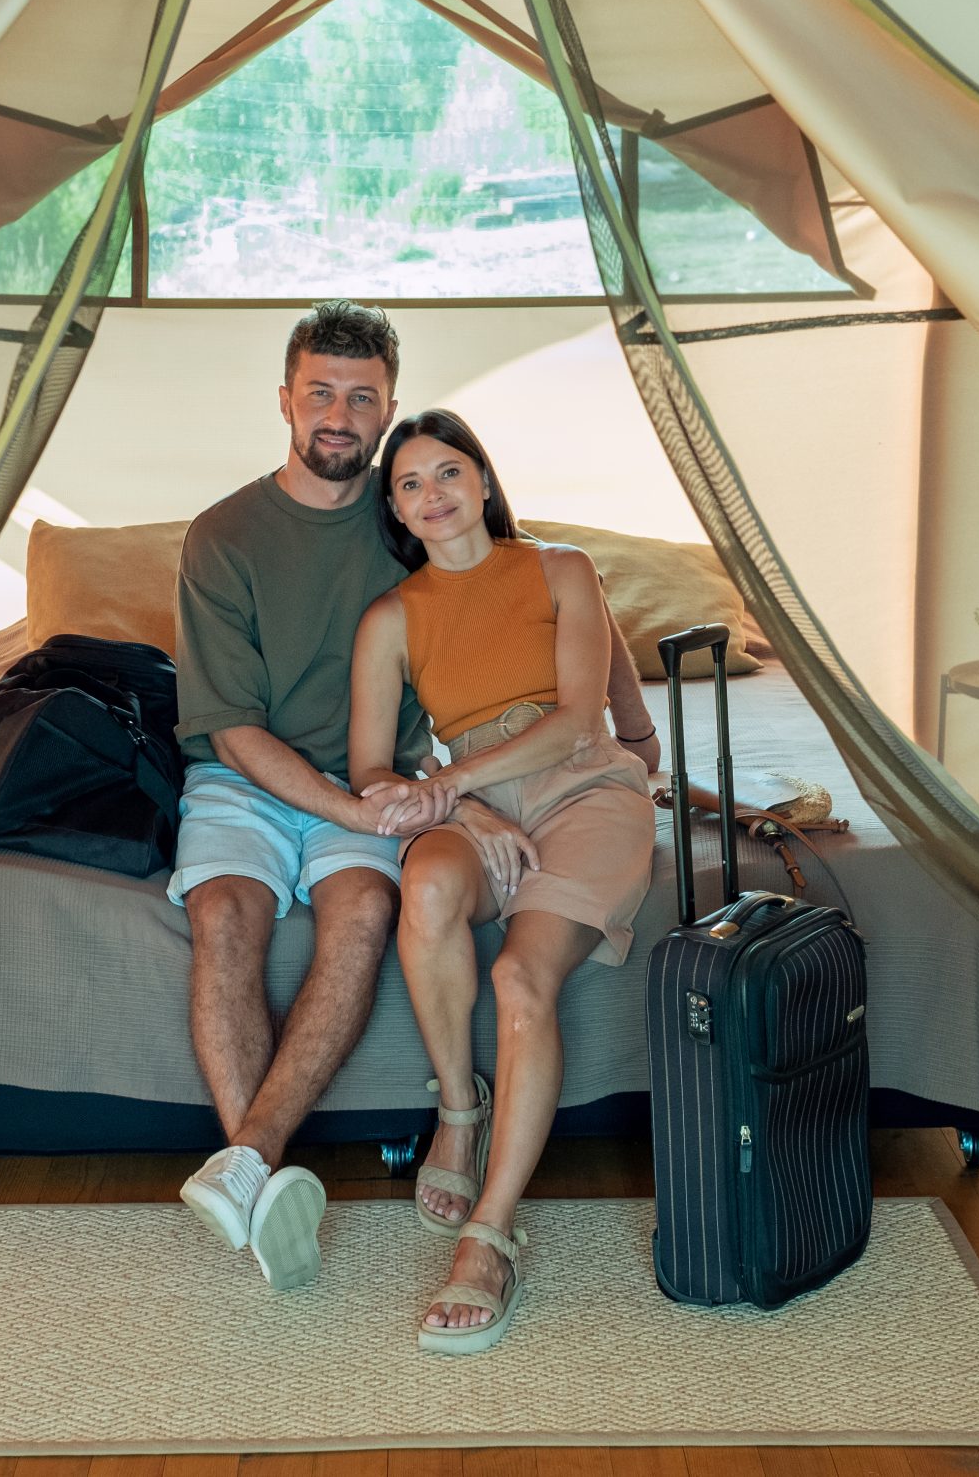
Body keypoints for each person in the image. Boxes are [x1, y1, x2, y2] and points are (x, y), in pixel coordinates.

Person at [348, 408, 661, 1354]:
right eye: (409, 483)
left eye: (449, 471)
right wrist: (460, 804)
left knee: (520, 980)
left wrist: (451, 782)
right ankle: (458, 1107)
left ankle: (490, 1235)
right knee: (430, 889)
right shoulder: (391, 618)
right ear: (397, 511)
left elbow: (578, 719)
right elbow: (370, 769)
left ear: (483, 480)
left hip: (584, 788)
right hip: (477, 796)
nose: (433, 494)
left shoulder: (560, 569)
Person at [168, 299, 436, 1292]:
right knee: (225, 914)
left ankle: (245, 1166)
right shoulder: (222, 536)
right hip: (247, 776)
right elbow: (233, 729)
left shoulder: (414, 522)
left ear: (388, 410)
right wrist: (354, 814)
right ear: (284, 400)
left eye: (360, 398)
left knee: (362, 910)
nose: (338, 413)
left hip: (372, 777)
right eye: (319, 391)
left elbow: (503, 613)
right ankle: (261, 1175)